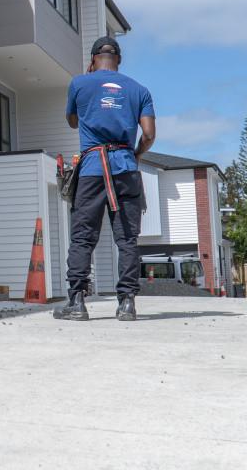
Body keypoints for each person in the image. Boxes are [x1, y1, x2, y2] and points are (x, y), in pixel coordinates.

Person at [53, 36, 155, 321]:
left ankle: (77, 302)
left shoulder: (79, 83)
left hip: (92, 170)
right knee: (127, 239)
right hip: (125, 169)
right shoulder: (140, 90)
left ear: (93, 58)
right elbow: (148, 135)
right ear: (119, 59)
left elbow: (72, 120)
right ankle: (127, 304)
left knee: (83, 237)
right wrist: (134, 155)